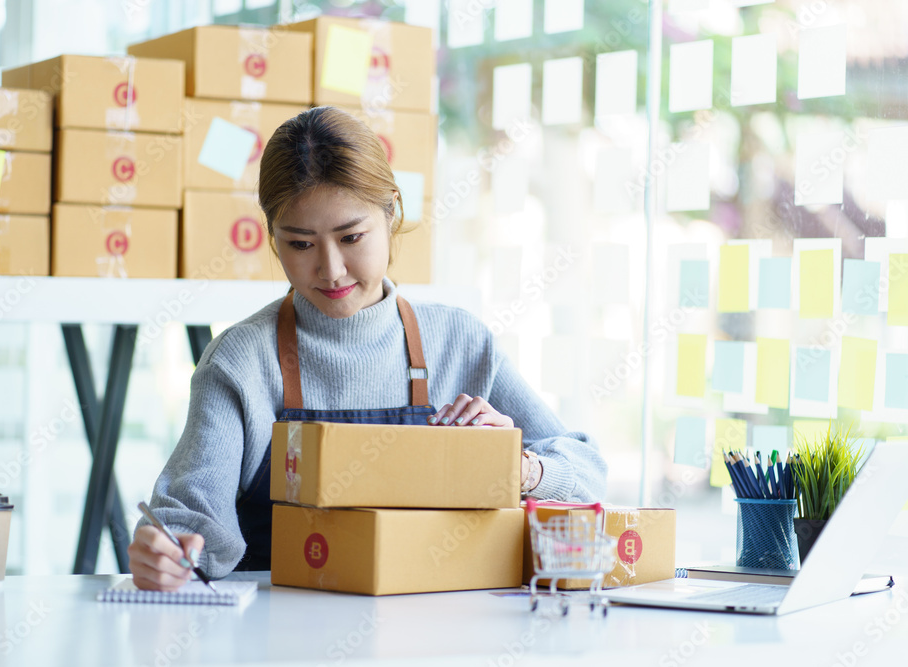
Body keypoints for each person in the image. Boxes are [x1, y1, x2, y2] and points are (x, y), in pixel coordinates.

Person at [128, 106, 607, 591]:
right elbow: (190, 519)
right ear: (274, 241)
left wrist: (517, 467)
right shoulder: (240, 360)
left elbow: (589, 478)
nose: (331, 269)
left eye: (351, 236)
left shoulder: (462, 343)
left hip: (438, 630)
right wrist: (168, 552)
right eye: (300, 244)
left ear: (392, 214)